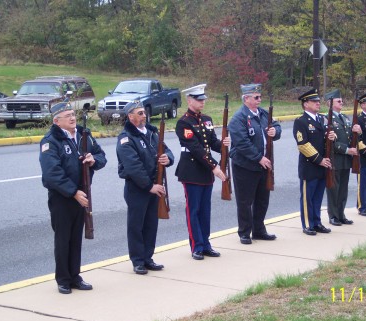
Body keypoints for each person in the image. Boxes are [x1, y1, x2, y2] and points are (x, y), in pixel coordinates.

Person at [39, 101, 107, 294]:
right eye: (67, 115)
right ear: (56, 120)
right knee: (63, 238)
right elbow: (52, 174)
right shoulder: (51, 141)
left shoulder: (83, 135)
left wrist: (93, 160)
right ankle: (63, 279)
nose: (72, 118)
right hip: (63, 197)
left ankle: (75, 275)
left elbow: (101, 156)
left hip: (82, 193)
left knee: (76, 237)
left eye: (72, 114)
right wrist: (73, 192)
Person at [116, 100, 174, 274]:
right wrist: (150, 186)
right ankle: (138, 261)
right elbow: (133, 167)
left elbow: (167, 150)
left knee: (151, 224)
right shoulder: (126, 138)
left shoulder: (152, 133)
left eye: (144, 112)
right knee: (136, 226)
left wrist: (167, 158)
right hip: (138, 188)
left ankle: (148, 258)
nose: (144, 115)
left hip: (155, 185)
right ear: (130, 116)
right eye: (139, 113)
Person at [175, 84, 230, 260]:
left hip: (205, 171)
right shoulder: (184, 122)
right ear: (189, 100)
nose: (202, 102)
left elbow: (211, 142)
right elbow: (196, 148)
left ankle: (206, 244)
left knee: (205, 210)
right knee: (194, 210)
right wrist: (214, 166)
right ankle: (196, 245)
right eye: (199, 100)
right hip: (192, 171)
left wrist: (224, 145)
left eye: (203, 99)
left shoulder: (206, 119)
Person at [228, 83, 281, 244]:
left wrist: (275, 131)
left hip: (264, 165)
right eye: (256, 97)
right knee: (245, 201)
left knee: (262, 199)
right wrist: (259, 158)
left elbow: (277, 125)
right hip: (245, 166)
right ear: (246, 99)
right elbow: (242, 143)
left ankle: (259, 229)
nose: (259, 100)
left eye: (260, 97)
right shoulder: (238, 118)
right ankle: (244, 232)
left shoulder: (263, 114)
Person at [293, 88, 336, 236]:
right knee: (307, 198)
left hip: (323, 165)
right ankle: (308, 224)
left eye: (318, 101)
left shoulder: (322, 119)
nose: (318, 103)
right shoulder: (301, 121)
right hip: (310, 165)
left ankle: (317, 222)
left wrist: (332, 136)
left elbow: (326, 140)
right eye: (314, 101)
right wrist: (319, 160)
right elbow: (303, 145)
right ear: (305, 104)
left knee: (318, 197)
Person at [324, 89, 362, 226]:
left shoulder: (345, 118)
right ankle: (333, 216)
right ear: (329, 103)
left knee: (343, 189)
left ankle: (341, 214)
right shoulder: (326, 119)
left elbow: (352, 138)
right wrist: (347, 150)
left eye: (342, 100)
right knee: (334, 189)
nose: (342, 102)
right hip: (335, 159)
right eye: (338, 101)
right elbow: (329, 143)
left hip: (346, 160)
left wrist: (358, 132)